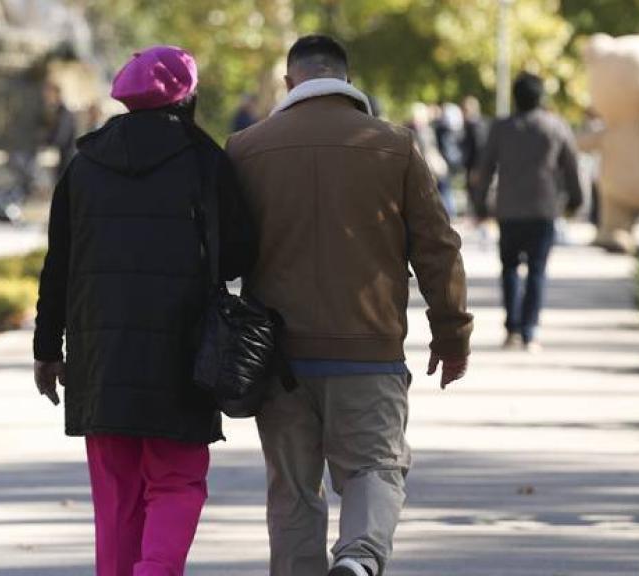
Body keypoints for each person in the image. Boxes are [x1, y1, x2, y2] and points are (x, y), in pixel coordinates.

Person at [226, 35, 472, 576]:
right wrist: (451, 335)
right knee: (374, 470)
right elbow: (438, 248)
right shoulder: (395, 146)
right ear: (348, 80)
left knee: (292, 493)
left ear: (291, 84)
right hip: (369, 348)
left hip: (277, 358)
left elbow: (221, 252)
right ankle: (359, 558)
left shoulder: (245, 150)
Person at [32, 46, 256, 576]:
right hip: (180, 355)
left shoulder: (84, 164)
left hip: (99, 356)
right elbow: (242, 252)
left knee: (115, 497)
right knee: (176, 480)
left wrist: (47, 349)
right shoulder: (205, 161)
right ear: (187, 96)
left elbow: (57, 264)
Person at [473, 72, 583, 352]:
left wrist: (481, 204)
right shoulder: (555, 127)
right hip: (542, 209)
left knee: (509, 268)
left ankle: (512, 329)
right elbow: (572, 166)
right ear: (540, 97)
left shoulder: (501, 128)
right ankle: (530, 330)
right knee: (537, 270)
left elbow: (485, 168)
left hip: (508, 209)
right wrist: (575, 200)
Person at [433, 102, 464, 218]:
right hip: (453, 160)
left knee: (445, 188)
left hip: (446, 161)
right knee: (446, 188)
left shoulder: (442, 130)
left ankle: (449, 213)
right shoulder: (457, 131)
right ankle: (450, 212)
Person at [460, 95, 489, 220]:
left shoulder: (474, 125)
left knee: (476, 196)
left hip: (474, 166)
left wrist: (476, 169)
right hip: (475, 166)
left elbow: (479, 148)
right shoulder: (483, 123)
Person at [42, 82, 76, 181]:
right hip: (60, 159)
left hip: (66, 160)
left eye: (48, 94)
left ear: (56, 95)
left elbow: (60, 138)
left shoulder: (64, 113)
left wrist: (45, 142)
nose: (46, 98)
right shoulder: (54, 111)